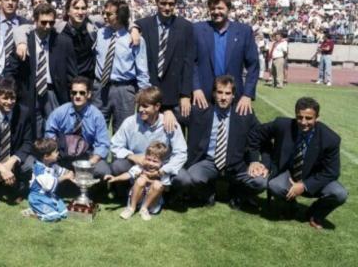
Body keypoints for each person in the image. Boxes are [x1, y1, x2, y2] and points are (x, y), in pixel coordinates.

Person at [248, 97, 347, 229]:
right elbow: (255, 134)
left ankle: (315, 213)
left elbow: (332, 172)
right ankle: (290, 206)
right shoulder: (282, 124)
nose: (303, 122)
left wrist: (305, 185)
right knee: (275, 185)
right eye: (299, 117)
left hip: (313, 177)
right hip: (287, 173)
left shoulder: (331, 139)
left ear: (317, 118)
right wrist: (257, 160)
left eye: (309, 118)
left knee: (340, 193)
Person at [173, 75, 267, 208]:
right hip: (209, 161)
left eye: (228, 93)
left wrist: (255, 161)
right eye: (220, 92)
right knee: (192, 176)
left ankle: (238, 195)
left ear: (234, 95)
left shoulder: (245, 114)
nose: (223, 97)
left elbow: (262, 135)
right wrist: (168, 112)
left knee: (261, 181)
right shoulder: (200, 111)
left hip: (237, 164)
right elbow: (177, 114)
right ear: (213, 93)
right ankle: (207, 193)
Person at [4, 3, 77, 138]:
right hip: (30, 92)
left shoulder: (63, 42)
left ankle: (56, 157)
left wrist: (72, 96)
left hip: (54, 93)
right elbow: (11, 69)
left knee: (56, 129)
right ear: (35, 20)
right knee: (33, 131)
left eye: (51, 22)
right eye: (43, 22)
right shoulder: (24, 41)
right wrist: (9, 90)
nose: (47, 26)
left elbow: (72, 73)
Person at [134, 0, 194, 131]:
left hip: (175, 96)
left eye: (171, 4)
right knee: (147, 139)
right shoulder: (144, 24)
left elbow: (189, 62)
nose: (167, 7)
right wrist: (133, 29)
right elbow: (131, 24)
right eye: (163, 3)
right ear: (156, 2)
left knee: (174, 139)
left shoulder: (185, 27)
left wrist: (186, 94)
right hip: (150, 93)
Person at [192, 0, 259, 116]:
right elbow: (191, 62)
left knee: (233, 134)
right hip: (203, 96)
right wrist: (196, 88)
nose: (216, 12)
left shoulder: (244, 31)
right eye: (213, 8)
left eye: (220, 8)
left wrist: (248, 94)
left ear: (229, 9)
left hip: (233, 96)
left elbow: (253, 65)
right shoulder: (197, 29)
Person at [109, 86, 187, 193]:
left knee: (183, 178)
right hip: (137, 166)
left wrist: (163, 170)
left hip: (162, 167)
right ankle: (127, 192)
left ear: (157, 106)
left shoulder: (169, 123)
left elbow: (181, 153)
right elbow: (114, 145)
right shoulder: (130, 122)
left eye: (145, 106)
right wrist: (133, 156)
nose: (141, 110)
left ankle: (168, 196)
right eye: (139, 106)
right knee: (118, 165)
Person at [93, 0, 150, 133]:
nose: (104, 16)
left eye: (109, 14)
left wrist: (144, 96)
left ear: (120, 16)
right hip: (101, 88)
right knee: (95, 130)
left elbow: (142, 70)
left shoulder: (135, 39)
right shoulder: (100, 33)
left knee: (123, 132)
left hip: (124, 90)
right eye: (104, 13)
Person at [44, 76, 112, 178]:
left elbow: (103, 144)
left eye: (82, 92)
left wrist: (89, 163)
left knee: (103, 169)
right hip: (63, 156)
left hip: (87, 156)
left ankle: (91, 188)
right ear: (70, 94)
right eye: (74, 92)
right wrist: (55, 153)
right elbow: (49, 133)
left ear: (88, 94)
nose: (77, 96)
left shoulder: (97, 116)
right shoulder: (59, 112)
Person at [105, 141, 168, 221]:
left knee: (158, 184)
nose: (151, 163)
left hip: (152, 202)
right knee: (140, 180)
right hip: (137, 198)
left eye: (155, 161)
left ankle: (144, 209)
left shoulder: (163, 171)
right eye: (148, 159)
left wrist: (150, 180)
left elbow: (166, 188)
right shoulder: (141, 167)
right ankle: (131, 208)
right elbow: (128, 174)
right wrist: (115, 178)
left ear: (162, 162)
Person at [24, 138, 74, 222]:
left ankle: (44, 209)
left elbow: (62, 171)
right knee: (53, 217)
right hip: (38, 198)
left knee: (64, 213)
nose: (58, 153)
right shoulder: (39, 170)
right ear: (46, 156)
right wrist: (66, 177)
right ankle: (34, 212)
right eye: (55, 152)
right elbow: (50, 184)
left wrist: (71, 173)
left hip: (50, 196)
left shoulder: (52, 165)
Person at [0, 0, 30, 68]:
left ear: (17, 1)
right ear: (0, 1)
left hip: (18, 76)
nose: (10, 2)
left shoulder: (26, 24)